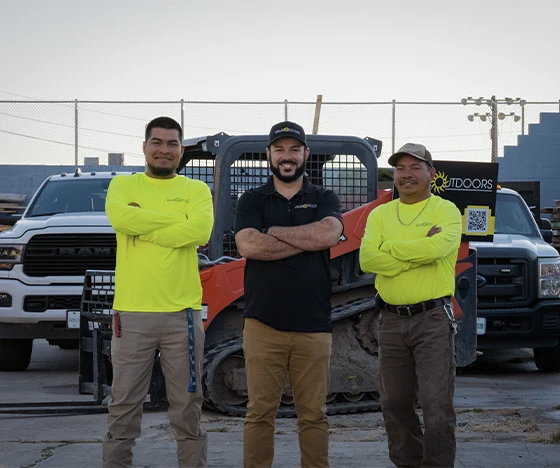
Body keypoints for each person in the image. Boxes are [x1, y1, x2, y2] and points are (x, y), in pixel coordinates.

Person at [102, 116, 213, 468]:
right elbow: (121, 219)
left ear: (181, 150)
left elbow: (200, 232)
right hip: (132, 313)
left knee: (187, 405)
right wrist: (176, 222)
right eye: (157, 142)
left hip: (183, 313)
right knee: (124, 405)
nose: (164, 150)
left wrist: (144, 223)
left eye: (172, 144)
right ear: (145, 146)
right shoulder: (124, 186)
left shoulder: (197, 191)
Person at [234, 121, 344, 468]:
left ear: (305, 155)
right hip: (263, 323)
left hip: (313, 325)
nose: (287, 156)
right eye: (279, 149)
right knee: (259, 413)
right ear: (268, 154)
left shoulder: (324, 197)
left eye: (294, 149)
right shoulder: (251, 199)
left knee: (313, 414)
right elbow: (248, 245)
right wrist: (305, 240)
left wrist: (275, 232)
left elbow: (328, 235)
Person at [359, 143, 462, 468]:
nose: (407, 175)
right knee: (394, 403)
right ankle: (408, 463)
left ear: (431, 174)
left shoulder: (445, 211)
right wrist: (414, 252)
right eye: (401, 168)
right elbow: (367, 259)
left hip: (432, 319)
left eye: (415, 167)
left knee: (436, 406)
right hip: (390, 321)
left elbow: (437, 249)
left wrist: (390, 249)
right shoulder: (380, 214)